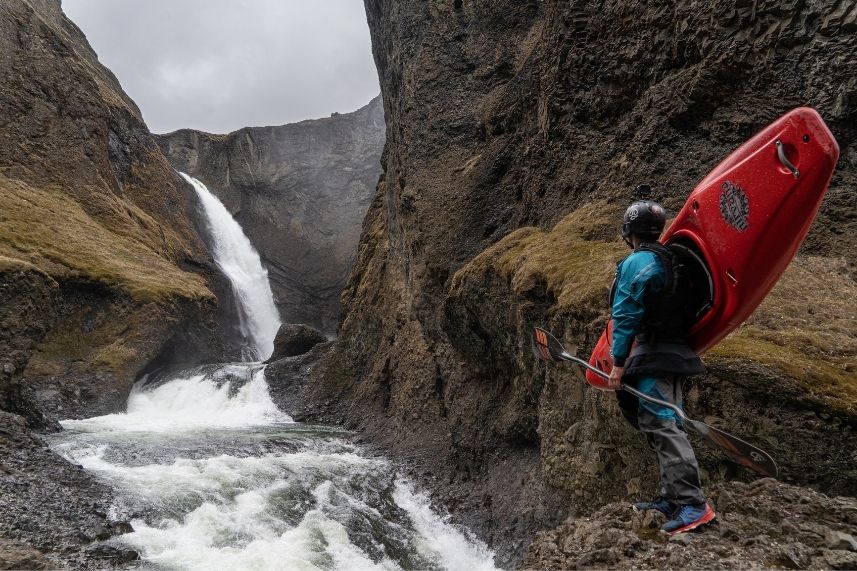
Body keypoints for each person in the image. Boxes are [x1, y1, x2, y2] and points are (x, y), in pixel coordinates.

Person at [606, 199, 716, 535]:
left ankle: (693, 505)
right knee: (663, 423)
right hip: (676, 353)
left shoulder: (637, 262)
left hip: (654, 354)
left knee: (661, 425)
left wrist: (618, 364)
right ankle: (672, 498)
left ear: (629, 233)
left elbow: (625, 317)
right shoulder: (671, 259)